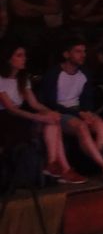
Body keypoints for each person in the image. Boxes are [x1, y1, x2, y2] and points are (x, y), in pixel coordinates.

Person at [40, 38, 103, 181]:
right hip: (61, 113)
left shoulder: (85, 73)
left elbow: (87, 99)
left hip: (79, 111)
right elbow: (50, 104)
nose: (83, 55)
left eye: (84, 51)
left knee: (102, 125)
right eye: (78, 51)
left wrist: (87, 113)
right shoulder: (54, 74)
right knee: (81, 127)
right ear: (66, 54)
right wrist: (78, 114)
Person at [0, 43, 85, 184]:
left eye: (24, 55)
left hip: (21, 117)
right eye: (19, 56)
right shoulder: (1, 79)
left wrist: (50, 112)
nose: (24, 58)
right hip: (6, 120)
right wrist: (39, 117)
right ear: (9, 59)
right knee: (47, 121)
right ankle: (64, 169)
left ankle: (54, 164)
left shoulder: (22, 79)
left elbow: (34, 104)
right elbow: (11, 109)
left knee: (53, 121)